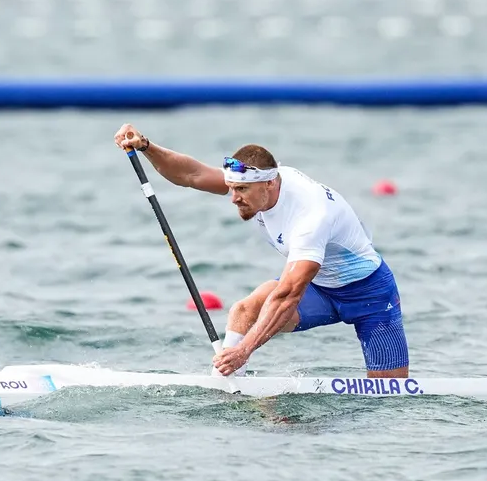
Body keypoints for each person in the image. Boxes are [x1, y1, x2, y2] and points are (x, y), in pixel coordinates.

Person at [113, 123, 409, 380]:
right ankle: (225, 381)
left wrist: (245, 350)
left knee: (389, 394)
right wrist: (146, 146)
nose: (233, 198)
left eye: (241, 191)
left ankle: (234, 362)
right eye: (231, 188)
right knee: (245, 309)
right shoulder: (258, 180)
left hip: (370, 295)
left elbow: (288, 293)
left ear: (269, 185)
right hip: (322, 292)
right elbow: (191, 174)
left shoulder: (310, 217)